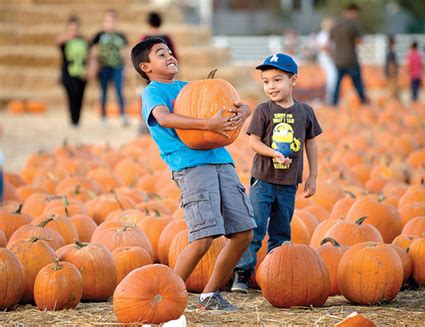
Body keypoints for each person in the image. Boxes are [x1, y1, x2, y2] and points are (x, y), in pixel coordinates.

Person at [130, 37, 256, 311]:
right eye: (161, 54)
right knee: (202, 237)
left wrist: (243, 110)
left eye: (170, 52)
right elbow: (164, 118)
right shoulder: (153, 92)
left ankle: (210, 296)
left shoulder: (189, 88)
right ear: (146, 66)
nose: (170, 56)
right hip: (190, 166)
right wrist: (208, 123)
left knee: (244, 232)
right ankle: (164, 296)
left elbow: (226, 105)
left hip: (221, 160)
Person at [231, 53, 322, 294]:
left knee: (281, 231)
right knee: (255, 227)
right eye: (266, 81)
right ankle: (243, 272)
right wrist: (272, 153)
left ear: (293, 80)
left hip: (289, 183)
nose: (271, 86)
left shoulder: (305, 111)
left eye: (277, 80)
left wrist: (313, 175)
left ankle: (275, 272)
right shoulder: (263, 110)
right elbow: (254, 142)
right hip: (263, 180)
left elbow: (310, 143)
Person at [137, 11, 179, 134]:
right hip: (166, 75)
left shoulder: (145, 38)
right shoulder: (166, 38)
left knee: (148, 99)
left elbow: (139, 57)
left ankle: (145, 124)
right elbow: (175, 55)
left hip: (150, 77)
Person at [90, 9, 129, 125]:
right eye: (108, 20)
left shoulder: (120, 36)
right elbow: (93, 52)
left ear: (116, 21)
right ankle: (103, 116)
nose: (110, 22)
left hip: (117, 67)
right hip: (103, 68)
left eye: (112, 20)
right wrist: (94, 66)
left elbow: (125, 52)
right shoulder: (99, 35)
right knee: (103, 92)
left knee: (119, 91)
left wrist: (126, 67)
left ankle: (122, 115)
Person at [330, 3, 367, 106]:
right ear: (353, 12)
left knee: (337, 84)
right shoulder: (353, 24)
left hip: (338, 59)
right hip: (351, 59)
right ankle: (363, 101)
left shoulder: (336, 25)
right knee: (358, 83)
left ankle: (333, 103)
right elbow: (359, 41)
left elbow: (331, 39)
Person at [56, 16, 88, 127]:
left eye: (76, 28)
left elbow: (89, 55)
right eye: (72, 28)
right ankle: (73, 120)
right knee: (72, 96)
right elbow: (57, 41)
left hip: (82, 73)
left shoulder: (83, 41)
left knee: (80, 97)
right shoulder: (65, 41)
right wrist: (70, 36)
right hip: (68, 73)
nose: (74, 30)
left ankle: (77, 121)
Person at [312, 18, 337, 103]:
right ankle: (330, 95)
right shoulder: (323, 35)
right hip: (326, 58)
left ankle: (331, 95)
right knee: (332, 76)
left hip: (329, 58)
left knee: (332, 76)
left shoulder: (329, 34)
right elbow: (323, 47)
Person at [385, 35, 399, 100]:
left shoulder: (388, 51)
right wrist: (392, 73)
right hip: (392, 74)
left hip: (390, 73)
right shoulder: (391, 52)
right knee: (393, 89)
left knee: (392, 88)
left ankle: (393, 100)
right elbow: (391, 64)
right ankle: (392, 100)